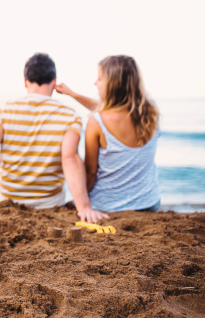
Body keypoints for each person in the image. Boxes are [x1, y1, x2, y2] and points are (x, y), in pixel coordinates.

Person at [0, 53, 109, 223]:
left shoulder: (4, 111)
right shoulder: (70, 116)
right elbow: (70, 159)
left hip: (7, 202)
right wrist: (84, 207)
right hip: (49, 204)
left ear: (25, 81)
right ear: (54, 82)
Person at [55, 55, 160, 212]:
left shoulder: (97, 122)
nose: (95, 83)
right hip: (149, 204)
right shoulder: (152, 113)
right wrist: (73, 94)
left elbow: (91, 173)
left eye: (99, 79)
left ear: (113, 84)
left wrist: (79, 202)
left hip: (108, 207)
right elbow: (112, 108)